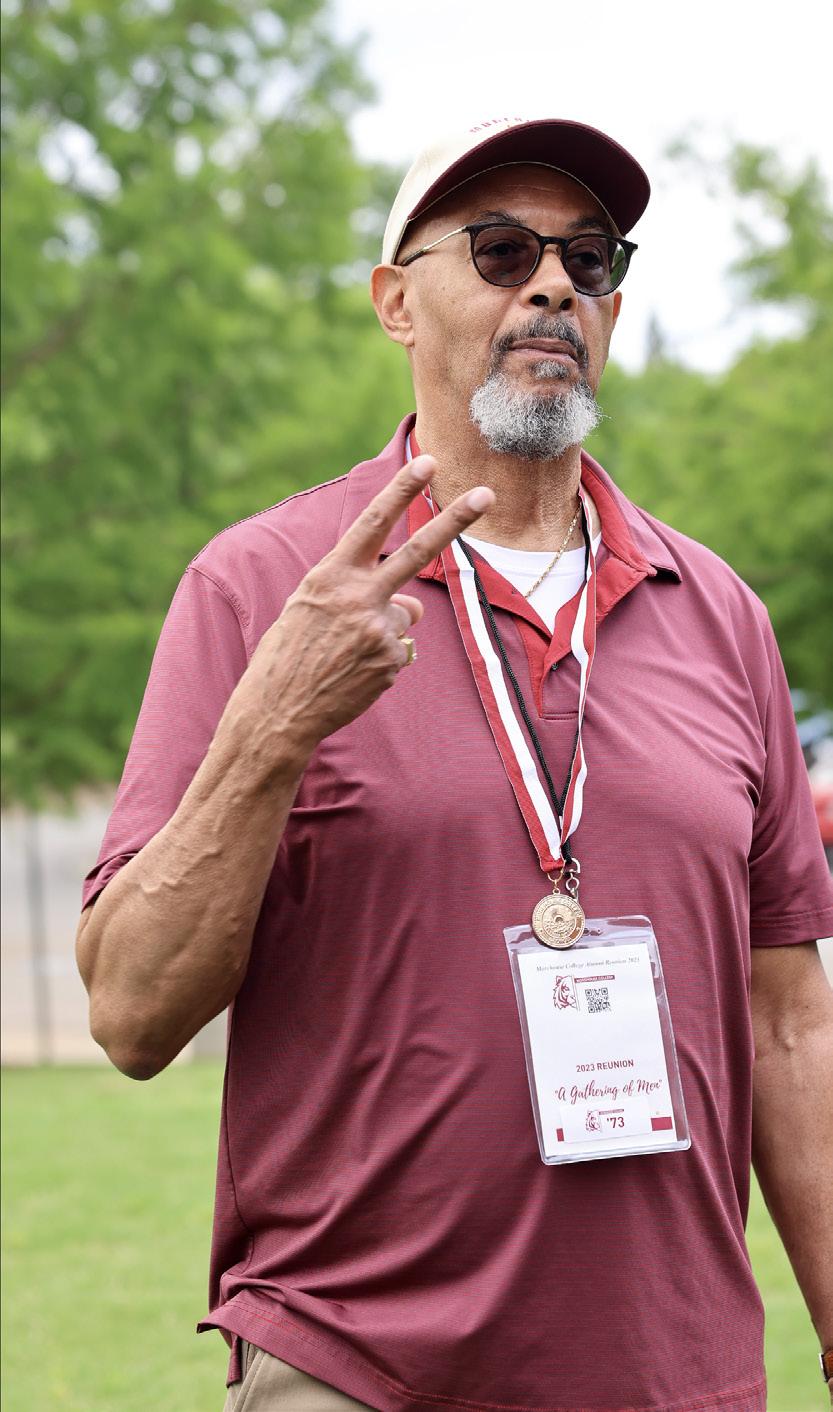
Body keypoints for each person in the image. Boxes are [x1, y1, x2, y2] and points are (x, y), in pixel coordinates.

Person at [76, 117, 833, 1412]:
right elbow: (131, 1015)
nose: (551, 288)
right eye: (499, 252)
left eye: (588, 260)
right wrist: (273, 727)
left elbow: (787, 1018)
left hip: (674, 1374)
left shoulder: (717, 611)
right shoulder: (265, 585)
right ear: (394, 301)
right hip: (358, 1369)